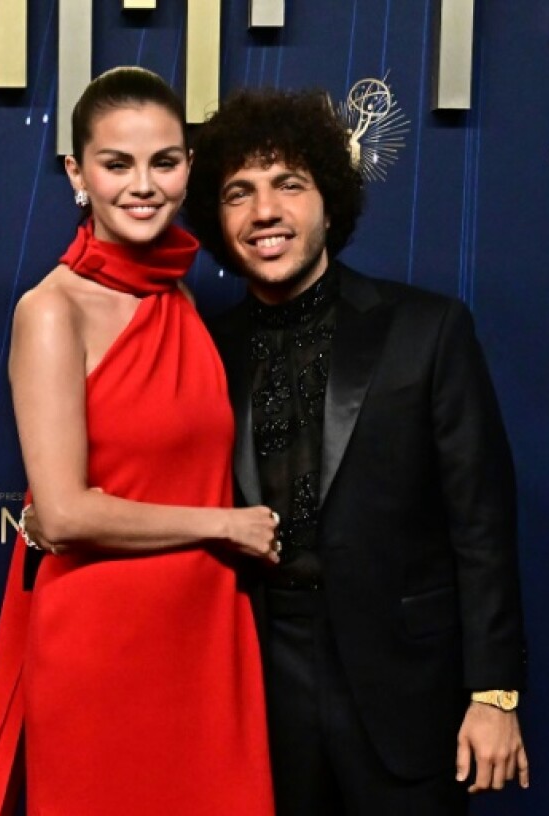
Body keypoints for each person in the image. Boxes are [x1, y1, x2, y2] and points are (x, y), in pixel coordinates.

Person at [184, 87, 530, 815]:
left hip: (407, 685)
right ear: (218, 222)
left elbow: (483, 526)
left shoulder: (427, 330)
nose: (264, 212)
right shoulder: (203, 352)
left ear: (329, 202)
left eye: (289, 185)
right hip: (257, 687)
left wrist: (494, 694)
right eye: (238, 193)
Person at [0, 67, 277, 816]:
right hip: (105, 640)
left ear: (188, 168)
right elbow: (65, 515)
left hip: (204, 631)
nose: (144, 185)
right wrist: (224, 525)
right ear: (78, 173)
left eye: (164, 162)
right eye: (116, 163)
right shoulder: (51, 312)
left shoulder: (178, 293)